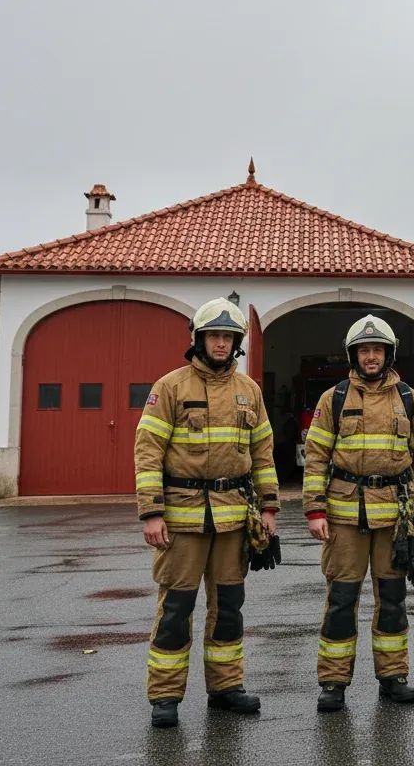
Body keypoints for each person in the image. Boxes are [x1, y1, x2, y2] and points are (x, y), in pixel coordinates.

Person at [134, 297, 280, 729]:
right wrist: (151, 513)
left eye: (228, 337)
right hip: (180, 518)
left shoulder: (249, 390)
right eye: (214, 335)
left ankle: (225, 687)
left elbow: (263, 453)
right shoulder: (171, 387)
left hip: (233, 518)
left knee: (229, 606)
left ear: (236, 343)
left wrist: (269, 509)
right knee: (177, 608)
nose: (221, 343)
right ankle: (165, 695)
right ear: (198, 339)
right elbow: (148, 452)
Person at [302, 315, 414, 711]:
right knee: (342, 599)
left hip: (395, 519)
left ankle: (393, 677)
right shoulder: (335, 398)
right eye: (365, 350)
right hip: (345, 518)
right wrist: (315, 510)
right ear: (354, 355)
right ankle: (333, 682)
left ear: (388, 354)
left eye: (378, 349)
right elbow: (316, 458)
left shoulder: (410, 400)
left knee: (393, 599)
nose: (371, 357)